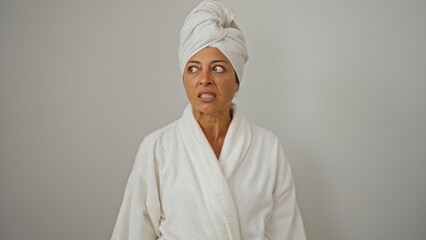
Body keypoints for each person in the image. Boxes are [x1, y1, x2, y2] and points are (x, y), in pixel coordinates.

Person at [111, 1, 306, 239]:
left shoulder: (268, 149)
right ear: (184, 78)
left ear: (237, 80)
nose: (204, 79)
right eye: (193, 69)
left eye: (218, 68)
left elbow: (287, 234)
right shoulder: (156, 149)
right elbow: (133, 232)